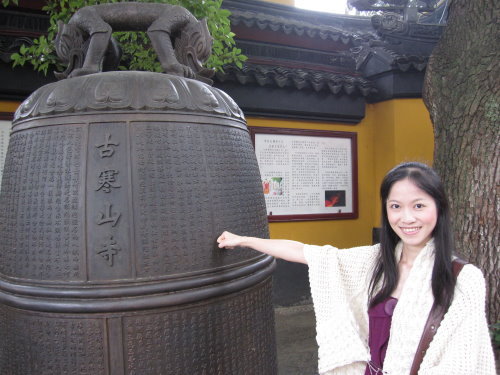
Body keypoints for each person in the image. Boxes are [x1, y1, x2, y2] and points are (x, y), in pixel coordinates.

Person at [217, 162, 496, 375]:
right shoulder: (375, 262)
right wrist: (246, 241)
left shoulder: (463, 280)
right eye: (396, 206)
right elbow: (307, 253)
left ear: (439, 207)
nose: (407, 218)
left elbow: (463, 362)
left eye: (419, 205)